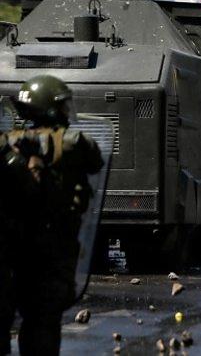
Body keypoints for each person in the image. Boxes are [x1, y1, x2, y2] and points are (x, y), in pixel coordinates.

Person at [1, 75, 104, 355]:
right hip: (48, 251)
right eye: (61, 106)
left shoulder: (7, 143)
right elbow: (94, 157)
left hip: (11, 250)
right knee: (42, 323)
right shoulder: (70, 142)